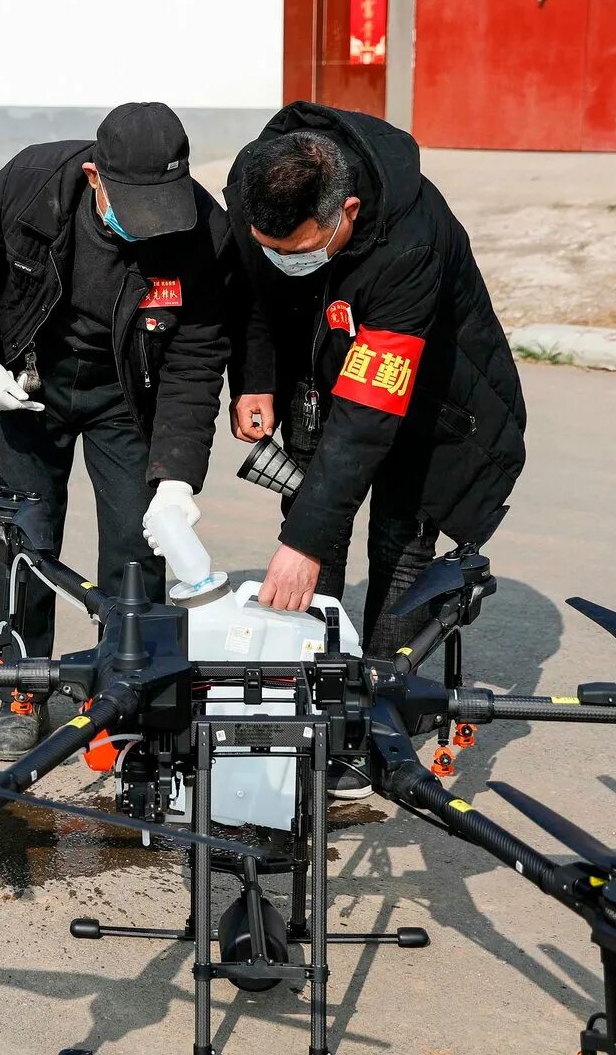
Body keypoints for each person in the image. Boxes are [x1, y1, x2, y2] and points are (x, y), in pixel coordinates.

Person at [0, 102, 236, 760]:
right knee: (25, 540)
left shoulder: (203, 231)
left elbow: (197, 358)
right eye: (137, 211)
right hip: (30, 387)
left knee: (139, 541)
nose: (151, 229)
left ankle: (126, 694)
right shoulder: (34, 183)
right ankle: (22, 689)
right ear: (96, 177)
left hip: (129, 397)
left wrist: (178, 476)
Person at [225, 102, 526, 657]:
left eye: (301, 252)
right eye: (272, 249)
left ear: (350, 211)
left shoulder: (412, 241)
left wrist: (302, 545)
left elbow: (368, 410)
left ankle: (385, 702)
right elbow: (255, 292)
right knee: (313, 514)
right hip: (314, 374)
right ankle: (313, 690)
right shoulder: (257, 184)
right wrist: (256, 376)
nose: (287, 262)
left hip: (422, 392)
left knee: (398, 539)